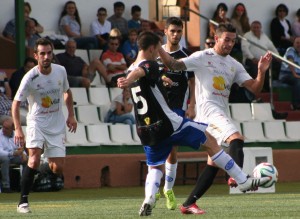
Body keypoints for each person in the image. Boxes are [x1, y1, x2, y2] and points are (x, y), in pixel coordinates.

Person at [118, 31, 270, 216]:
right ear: (151, 48)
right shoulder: (149, 63)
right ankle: (242, 179)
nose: (159, 52)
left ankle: (151, 198)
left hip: (145, 129)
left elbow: (140, 75)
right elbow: (146, 69)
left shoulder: (130, 67)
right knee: (211, 141)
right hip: (170, 123)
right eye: (157, 48)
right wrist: (131, 78)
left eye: (233, 40)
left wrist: (130, 79)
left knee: (156, 166)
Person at [158, 23, 273, 214]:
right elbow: (174, 64)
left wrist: (261, 71)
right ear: (216, 38)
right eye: (226, 39)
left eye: (233, 41)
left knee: (213, 163)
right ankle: (239, 178)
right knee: (236, 138)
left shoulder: (234, 64)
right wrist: (159, 49)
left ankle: (188, 204)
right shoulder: (203, 57)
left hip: (219, 113)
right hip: (208, 112)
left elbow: (254, 88)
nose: (229, 44)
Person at [12, 38, 77, 213]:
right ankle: (23, 202)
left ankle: (41, 166)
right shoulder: (30, 77)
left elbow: (67, 92)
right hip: (37, 123)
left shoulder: (60, 71)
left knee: (58, 169)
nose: (46, 56)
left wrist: (71, 115)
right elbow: (16, 103)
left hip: (56, 125)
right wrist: (18, 128)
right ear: (36, 55)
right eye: (42, 53)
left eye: (49, 53)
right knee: (33, 158)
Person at [157, 17, 196, 211]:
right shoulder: (156, 55)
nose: (176, 34)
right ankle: (155, 184)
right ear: (165, 31)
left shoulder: (185, 56)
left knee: (172, 149)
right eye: (172, 31)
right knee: (156, 147)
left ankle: (168, 189)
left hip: (177, 108)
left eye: (179, 31)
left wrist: (192, 105)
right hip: (157, 108)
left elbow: (192, 82)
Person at [242, 20, 279, 91]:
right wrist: (252, 58)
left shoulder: (264, 36)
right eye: (254, 27)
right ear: (251, 28)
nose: (256, 29)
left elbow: (271, 47)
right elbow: (244, 48)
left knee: (278, 63)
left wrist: (277, 56)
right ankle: (259, 89)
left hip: (263, 60)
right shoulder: (247, 35)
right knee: (256, 70)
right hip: (251, 60)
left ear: (260, 28)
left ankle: (268, 89)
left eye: (257, 27)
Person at [0, 118, 27, 193]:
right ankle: (6, 186)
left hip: (13, 156)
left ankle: (24, 185)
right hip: (3, 156)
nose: (4, 129)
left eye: (7, 128)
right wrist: (11, 153)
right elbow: (0, 151)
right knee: (5, 159)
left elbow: (20, 147)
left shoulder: (16, 135)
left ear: (12, 129)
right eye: (3, 127)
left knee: (27, 160)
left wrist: (24, 154)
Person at [279, 36, 300, 110]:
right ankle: (296, 105)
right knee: (298, 81)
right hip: (286, 75)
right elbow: (291, 62)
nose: (299, 45)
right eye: (297, 43)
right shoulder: (290, 50)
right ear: (293, 44)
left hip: (297, 75)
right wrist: (295, 74)